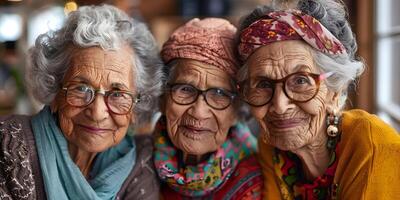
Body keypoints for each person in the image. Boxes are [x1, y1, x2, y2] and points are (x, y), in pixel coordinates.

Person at [236, 0, 400, 199]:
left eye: (301, 80)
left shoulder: (370, 143)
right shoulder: (272, 145)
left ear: (335, 90)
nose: (279, 106)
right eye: (262, 84)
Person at [0, 4, 163, 200]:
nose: (97, 112)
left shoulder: (140, 168)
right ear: (55, 92)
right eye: (81, 88)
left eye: (118, 93)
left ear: (136, 105)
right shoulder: (7, 146)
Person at [154, 18, 263, 199]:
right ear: (163, 98)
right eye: (185, 89)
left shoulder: (259, 179)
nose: (198, 111)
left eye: (219, 93)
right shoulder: (138, 160)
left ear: (237, 111)